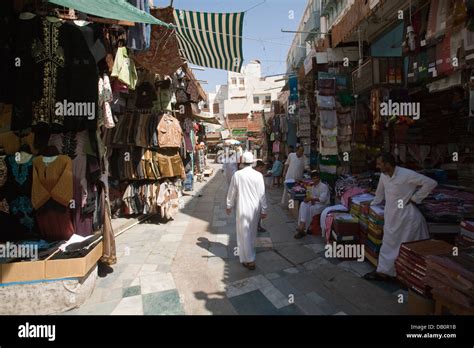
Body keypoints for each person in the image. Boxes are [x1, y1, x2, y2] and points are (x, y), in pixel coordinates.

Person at [364, 153, 437, 281]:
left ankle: (406, 276)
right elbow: (379, 194)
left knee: (408, 247)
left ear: (387, 164)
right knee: (388, 244)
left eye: (379, 163)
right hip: (391, 216)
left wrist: (414, 199)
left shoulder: (407, 174)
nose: (377, 166)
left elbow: (431, 183)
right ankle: (384, 272)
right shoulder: (383, 176)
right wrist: (371, 206)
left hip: (407, 218)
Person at [226, 152, 268, 270]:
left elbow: (232, 192)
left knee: (243, 234)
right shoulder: (258, 175)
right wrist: (264, 209)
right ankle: (247, 256)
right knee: (252, 232)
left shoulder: (237, 175)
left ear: (242, 161)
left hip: (243, 208)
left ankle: (249, 259)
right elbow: (262, 194)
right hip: (255, 208)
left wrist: (229, 205)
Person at [294, 171, 330, 239]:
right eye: (313, 178)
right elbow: (312, 197)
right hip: (315, 203)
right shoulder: (313, 186)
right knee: (303, 204)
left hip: (323, 205)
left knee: (312, 209)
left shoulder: (323, 186)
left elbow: (322, 200)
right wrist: (310, 200)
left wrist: (311, 199)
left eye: (316, 178)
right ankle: (301, 225)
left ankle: (304, 229)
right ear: (312, 179)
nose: (315, 180)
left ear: (319, 178)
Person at [254, 160, 268, 233]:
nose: (263, 170)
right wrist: (264, 209)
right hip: (256, 198)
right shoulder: (258, 176)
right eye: (262, 168)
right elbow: (262, 192)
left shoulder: (255, 174)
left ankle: (257, 226)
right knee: (257, 214)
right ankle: (257, 226)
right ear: (258, 167)